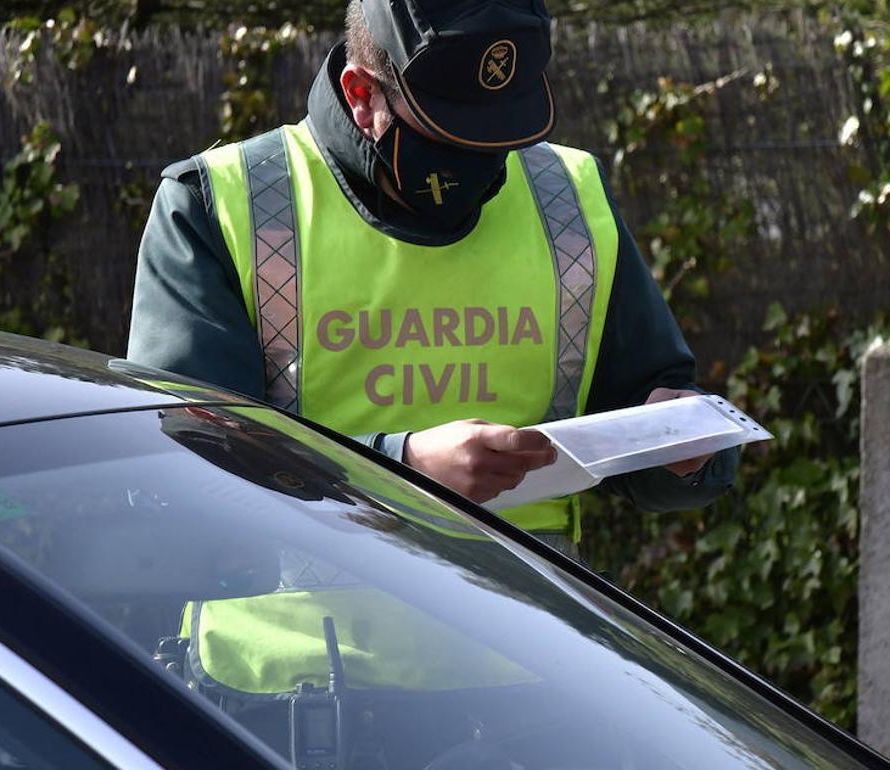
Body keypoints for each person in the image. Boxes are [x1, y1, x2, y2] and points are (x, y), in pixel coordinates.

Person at [127, 0, 738, 552]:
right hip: (296, 669)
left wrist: (682, 455)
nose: (484, 166)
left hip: (537, 660)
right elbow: (189, 470)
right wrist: (402, 468)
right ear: (362, 96)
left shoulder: (568, 198)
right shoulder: (218, 204)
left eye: (501, 137)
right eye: (449, 139)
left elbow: (652, 422)